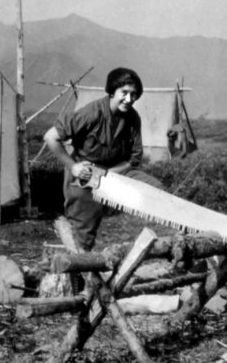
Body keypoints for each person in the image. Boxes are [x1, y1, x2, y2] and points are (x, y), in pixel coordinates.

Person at [44, 67, 163, 252]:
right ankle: (79, 273)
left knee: (158, 192)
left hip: (116, 172)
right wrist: (73, 167)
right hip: (85, 175)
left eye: (134, 94)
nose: (129, 99)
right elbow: (51, 137)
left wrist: (110, 174)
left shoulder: (133, 118)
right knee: (82, 238)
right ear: (112, 91)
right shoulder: (92, 113)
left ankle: (176, 247)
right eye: (124, 93)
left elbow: (134, 158)